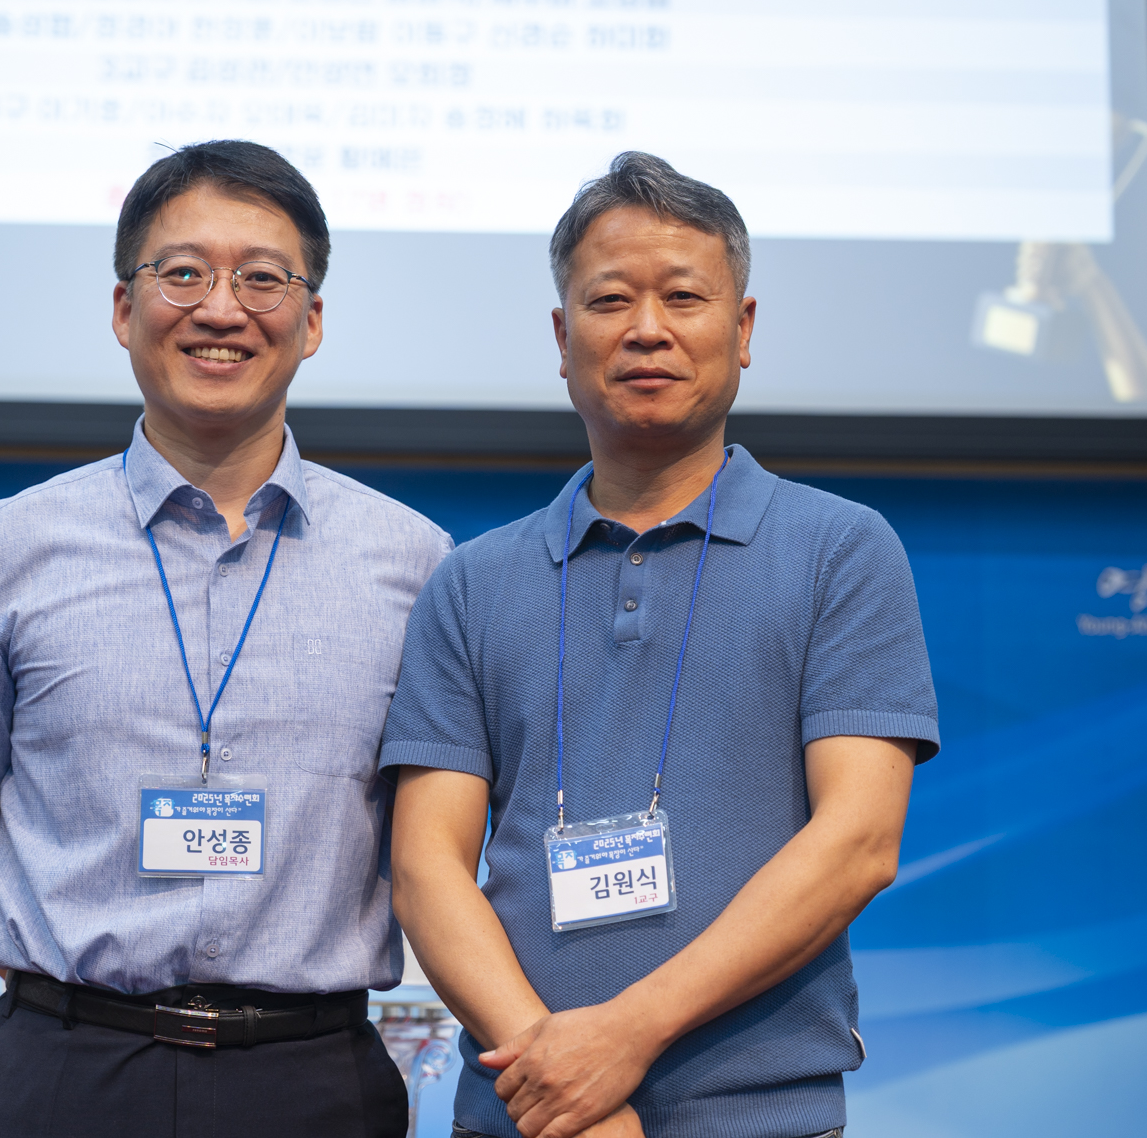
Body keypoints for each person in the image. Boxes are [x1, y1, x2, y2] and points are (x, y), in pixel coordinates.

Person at [0, 140, 451, 1138]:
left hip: (312, 1081)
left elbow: (434, 847)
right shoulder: (2, 553)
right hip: (64, 1076)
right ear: (124, 309)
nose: (221, 308)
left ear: (312, 321)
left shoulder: (414, 566)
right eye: (183, 273)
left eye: (263, 278)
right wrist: (84, 993)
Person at [383, 152, 940, 1138]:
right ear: (562, 338)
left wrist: (622, 1037)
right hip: (526, 1115)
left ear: (743, 329)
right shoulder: (470, 581)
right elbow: (427, 865)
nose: (646, 328)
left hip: (763, 1118)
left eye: (683, 296)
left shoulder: (840, 551)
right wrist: (565, 1085)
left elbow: (857, 842)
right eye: (609, 300)